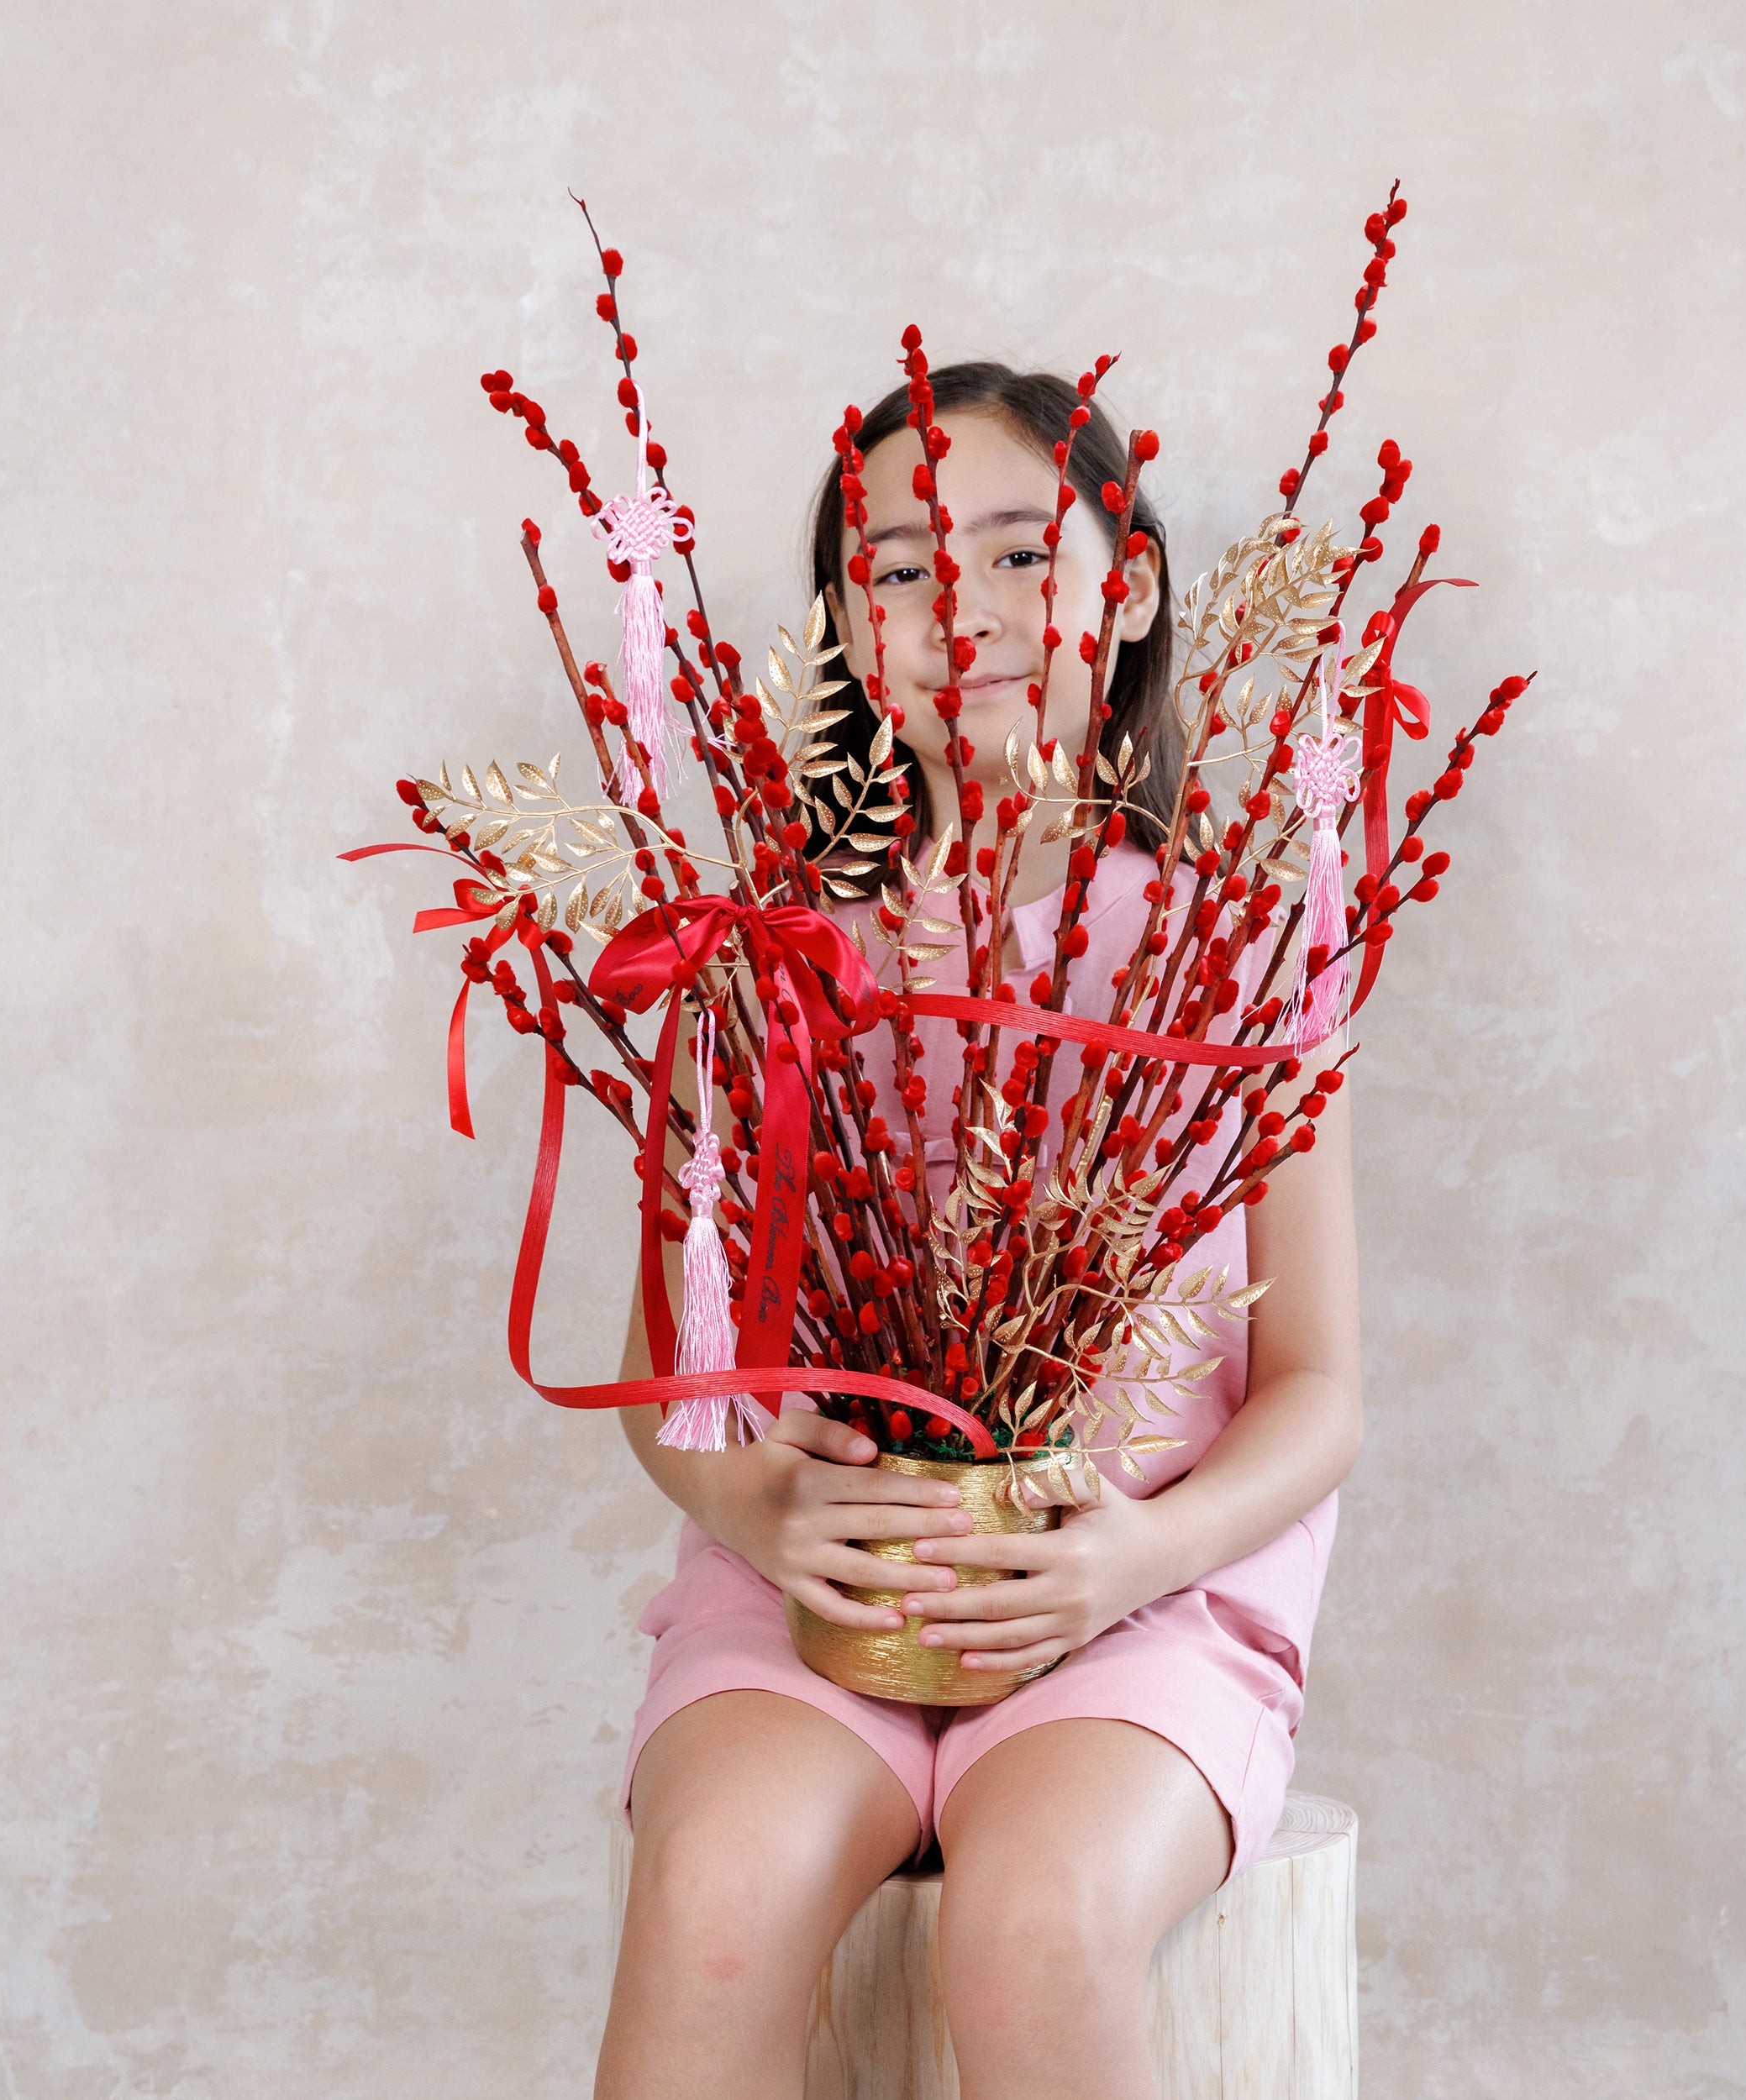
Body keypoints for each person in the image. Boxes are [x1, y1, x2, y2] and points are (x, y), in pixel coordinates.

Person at [594, 365, 1362, 2100]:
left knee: (1034, 1918)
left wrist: (1124, 1558)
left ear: (1134, 581)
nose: (967, 614)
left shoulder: (1241, 958)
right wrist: (765, 1502)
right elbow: (673, 1369)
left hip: (1137, 1593)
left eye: (1021, 554)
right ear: (845, 628)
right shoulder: (765, 960)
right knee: (714, 1892)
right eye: (899, 570)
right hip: (814, 1590)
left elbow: (1315, 1385)